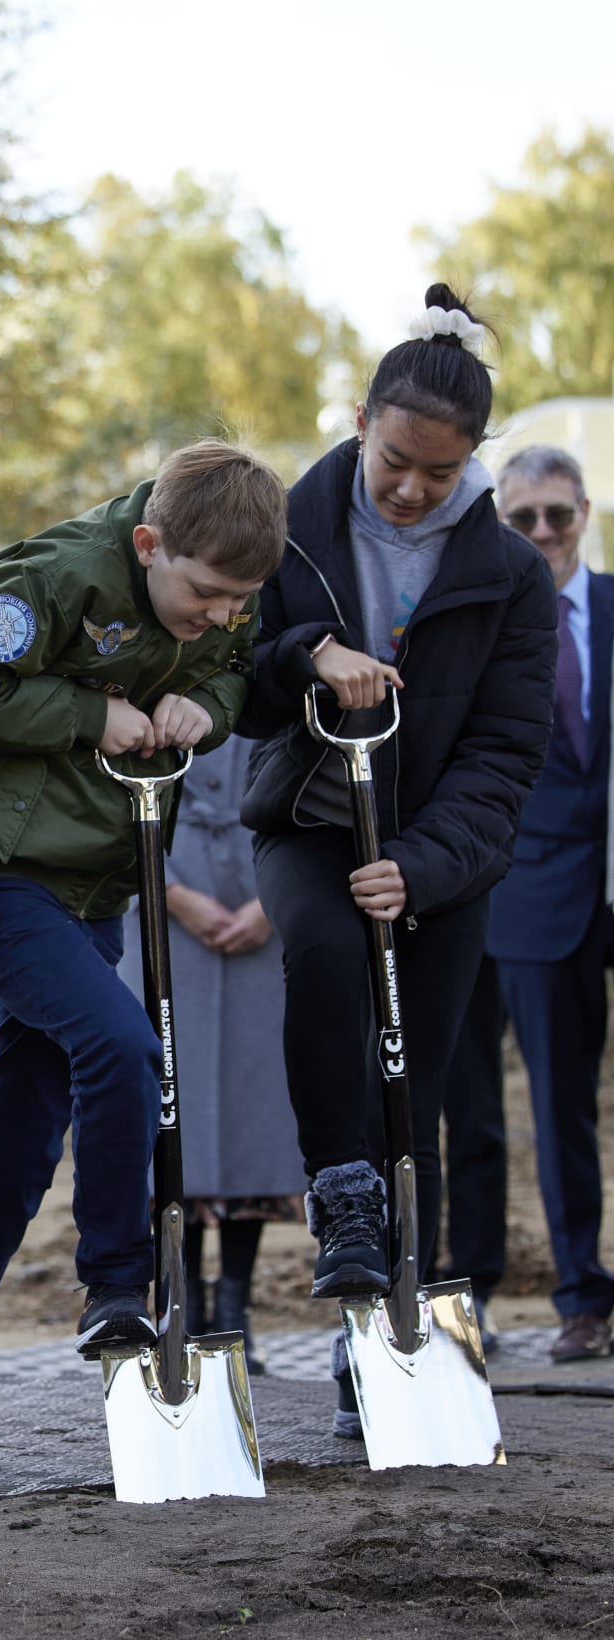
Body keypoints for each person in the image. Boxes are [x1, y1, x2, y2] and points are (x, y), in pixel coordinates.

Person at [0, 439, 288, 1469]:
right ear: (148, 544)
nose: (220, 616)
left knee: (12, 1157)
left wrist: (212, 703)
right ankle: (116, 1288)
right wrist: (87, 713)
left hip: (93, 886)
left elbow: (237, 666)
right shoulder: (60, 579)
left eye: (239, 599)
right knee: (124, 1048)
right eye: (204, 594)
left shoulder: (215, 597)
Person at [239, 285, 556, 1435]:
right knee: (321, 959)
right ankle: (341, 1205)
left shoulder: (511, 577)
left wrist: (420, 865)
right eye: (392, 462)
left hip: (437, 855)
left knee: (409, 1088)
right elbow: (231, 677)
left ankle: (376, 1350)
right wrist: (303, 652)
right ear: (361, 419)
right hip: (309, 821)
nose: (411, 489)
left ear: (473, 458)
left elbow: (505, 752)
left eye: (438, 471)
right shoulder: (284, 524)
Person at [117, 736, 304, 1375]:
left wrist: (271, 901)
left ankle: (236, 1310)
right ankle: (183, 1304)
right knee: (179, 1099)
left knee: (257, 1103)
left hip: (265, 887)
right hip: (160, 893)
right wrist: (172, 894)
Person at [484, 446, 614, 1362]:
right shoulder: (488, 627)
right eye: (521, 519)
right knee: (558, 1105)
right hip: (536, 897)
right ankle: (581, 1298)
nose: (541, 535)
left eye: (556, 517)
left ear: (584, 514)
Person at [437, 953, 508, 1354]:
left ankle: (469, 1292)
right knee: (392, 1118)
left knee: (476, 1112)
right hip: (377, 933)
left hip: (463, 918)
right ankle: (405, 1286)